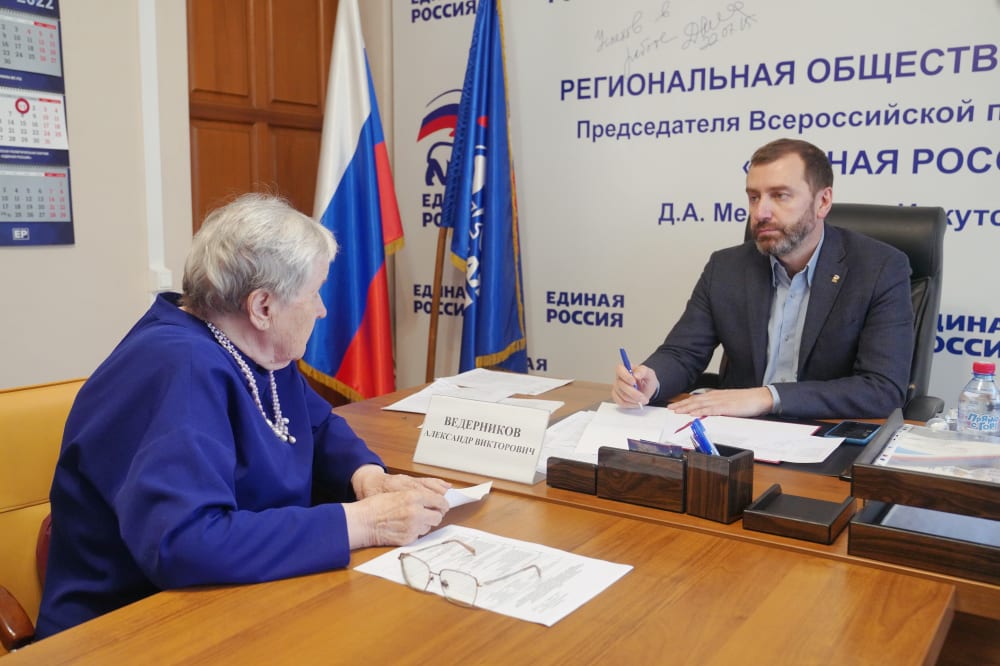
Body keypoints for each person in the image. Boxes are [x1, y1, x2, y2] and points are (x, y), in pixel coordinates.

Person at [36, 193, 452, 639]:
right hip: (129, 630)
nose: (322, 309)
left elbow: (316, 426)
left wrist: (366, 477)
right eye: (314, 293)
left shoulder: (254, 346)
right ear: (262, 307)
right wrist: (364, 522)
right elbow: (187, 543)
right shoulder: (178, 368)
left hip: (233, 602)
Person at [613, 138, 913, 420]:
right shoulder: (725, 267)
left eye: (780, 196)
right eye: (754, 197)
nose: (761, 212)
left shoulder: (880, 268)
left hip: (826, 432)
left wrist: (768, 397)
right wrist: (651, 379)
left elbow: (882, 388)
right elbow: (683, 353)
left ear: (823, 202)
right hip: (737, 433)